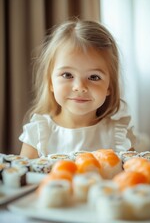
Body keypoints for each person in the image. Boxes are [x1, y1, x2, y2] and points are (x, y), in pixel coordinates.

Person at [19, 19, 136, 159]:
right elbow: (24, 179)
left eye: (94, 77)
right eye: (67, 75)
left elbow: (132, 176)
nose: (80, 87)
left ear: (109, 87)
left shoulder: (119, 136)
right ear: (50, 82)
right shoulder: (37, 134)